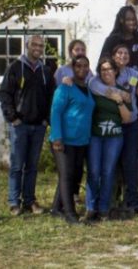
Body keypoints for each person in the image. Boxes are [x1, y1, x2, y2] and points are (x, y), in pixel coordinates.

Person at [88, 44, 138, 215]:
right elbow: (95, 87)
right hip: (110, 126)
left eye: (126, 53)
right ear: (113, 56)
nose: (123, 56)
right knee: (108, 166)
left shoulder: (131, 74)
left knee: (129, 163)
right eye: (119, 53)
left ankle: (132, 201)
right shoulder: (104, 74)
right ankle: (107, 202)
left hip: (130, 124)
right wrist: (118, 93)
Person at [0, 35, 56, 216]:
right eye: (35, 45)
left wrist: (47, 119)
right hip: (20, 125)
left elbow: (51, 98)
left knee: (32, 166)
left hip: (38, 126)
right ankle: (14, 202)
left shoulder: (45, 71)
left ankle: (30, 201)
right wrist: (12, 117)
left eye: (41, 45)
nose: (38, 48)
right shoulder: (15, 68)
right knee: (17, 165)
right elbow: (5, 94)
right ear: (27, 46)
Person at [85, 58, 133, 222]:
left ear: (115, 71)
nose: (106, 72)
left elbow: (127, 119)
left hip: (114, 137)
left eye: (109, 69)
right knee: (94, 171)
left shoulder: (123, 92)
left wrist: (119, 101)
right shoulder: (96, 90)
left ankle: (104, 208)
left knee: (107, 172)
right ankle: (91, 208)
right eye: (103, 70)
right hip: (95, 136)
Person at [49, 55, 96, 224]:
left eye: (85, 66)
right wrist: (56, 137)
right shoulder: (65, 88)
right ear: (72, 68)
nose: (82, 69)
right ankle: (70, 214)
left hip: (81, 140)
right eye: (78, 66)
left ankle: (56, 208)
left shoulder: (88, 89)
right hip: (64, 140)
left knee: (73, 175)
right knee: (67, 175)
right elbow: (56, 112)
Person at [99, 6, 138, 73]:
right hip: (115, 78)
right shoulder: (112, 40)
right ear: (121, 20)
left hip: (136, 78)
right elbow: (103, 60)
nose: (132, 22)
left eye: (133, 19)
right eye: (128, 20)